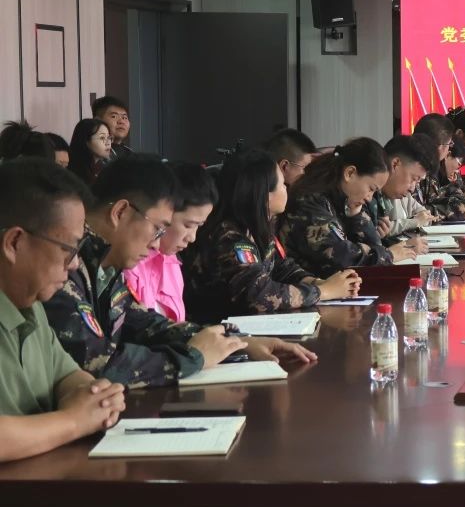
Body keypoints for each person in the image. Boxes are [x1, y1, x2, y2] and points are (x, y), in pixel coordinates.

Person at [0, 158, 125, 507]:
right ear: (15, 242)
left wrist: (92, 396)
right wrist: (77, 420)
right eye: (68, 249)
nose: (74, 265)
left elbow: (69, 376)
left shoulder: (27, 304)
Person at [44, 154, 308, 389]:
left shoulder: (103, 262)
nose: (157, 244)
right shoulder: (63, 264)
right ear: (120, 212)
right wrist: (194, 358)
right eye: (157, 228)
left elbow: (144, 324)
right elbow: (96, 363)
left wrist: (236, 343)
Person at [185, 150, 360, 322]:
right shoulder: (228, 236)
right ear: (264, 194)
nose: (286, 188)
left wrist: (318, 282)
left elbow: (281, 267)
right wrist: (325, 292)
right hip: (218, 331)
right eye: (282, 184)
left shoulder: (258, 226)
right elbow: (258, 295)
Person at [280, 137, 425, 275]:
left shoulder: (341, 200)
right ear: (350, 173)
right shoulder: (310, 202)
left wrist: (355, 214)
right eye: (371, 188)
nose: (369, 198)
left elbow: (375, 247)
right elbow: (344, 260)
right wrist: (390, 255)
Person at [122, 162, 217, 322]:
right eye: (188, 225)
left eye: (199, 226)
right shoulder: (129, 260)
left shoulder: (171, 262)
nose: (192, 237)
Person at [368, 134, 438, 240]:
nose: (412, 189)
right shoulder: (366, 194)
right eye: (413, 178)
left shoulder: (401, 194)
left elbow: (425, 216)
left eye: (417, 181)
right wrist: (414, 222)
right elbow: (372, 233)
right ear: (395, 164)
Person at [67, 118, 113, 185]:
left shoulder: (109, 169)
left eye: (109, 138)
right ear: (86, 141)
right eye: (102, 138)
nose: (108, 143)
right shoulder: (70, 171)